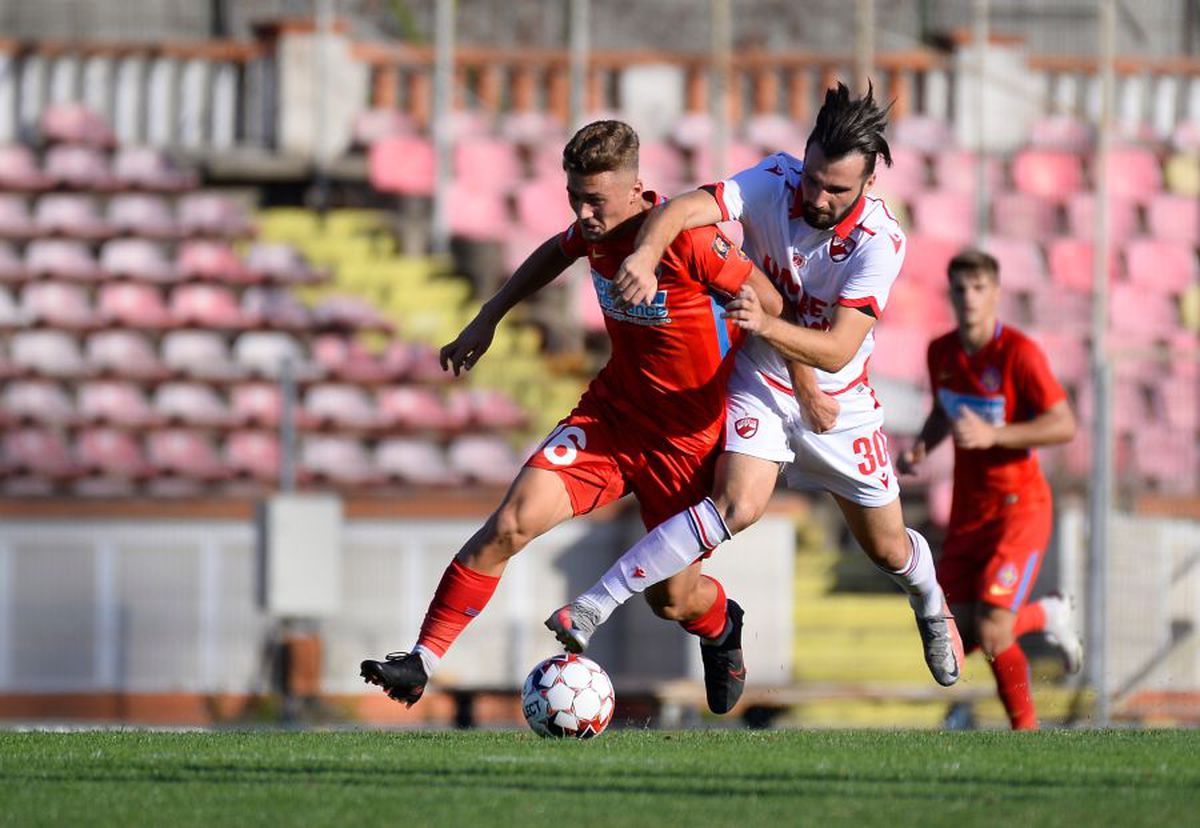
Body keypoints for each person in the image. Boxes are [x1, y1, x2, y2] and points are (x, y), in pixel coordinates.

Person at [546, 83, 965, 701]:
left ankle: (930, 600)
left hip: (837, 399)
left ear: (868, 184)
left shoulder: (882, 241)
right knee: (738, 505)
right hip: (761, 378)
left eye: (836, 189)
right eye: (814, 179)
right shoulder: (774, 178)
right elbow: (684, 208)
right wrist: (646, 253)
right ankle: (593, 605)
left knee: (887, 548)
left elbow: (839, 349)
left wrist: (767, 324)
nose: (816, 197)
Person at [360, 119, 793, 712]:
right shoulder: (596, 230)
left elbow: (769, 301)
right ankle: (421, 659)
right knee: (511, 523)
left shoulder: (690, 240)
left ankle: (720, 625)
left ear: (638, 189)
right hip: (611, 418)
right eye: (575, 199)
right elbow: (554, 252)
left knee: (670, 600)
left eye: (595, 200)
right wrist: (489, 316)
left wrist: (755, 338)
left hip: (686, 441)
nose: (585, 214)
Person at [895, 249, 1081, 731]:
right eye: (960, 289)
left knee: (996, 629)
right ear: (951, 295)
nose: (970, 298)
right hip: (968, 514)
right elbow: (944, 411)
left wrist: (996, 435)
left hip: (1019, 509)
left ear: (996, 293)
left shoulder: (1018, 353)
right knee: (957, 641)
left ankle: (1027, 735)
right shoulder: (942, 352)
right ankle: (1046, 614)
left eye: (979, 288)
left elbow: (1063, 424)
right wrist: (920, 447)